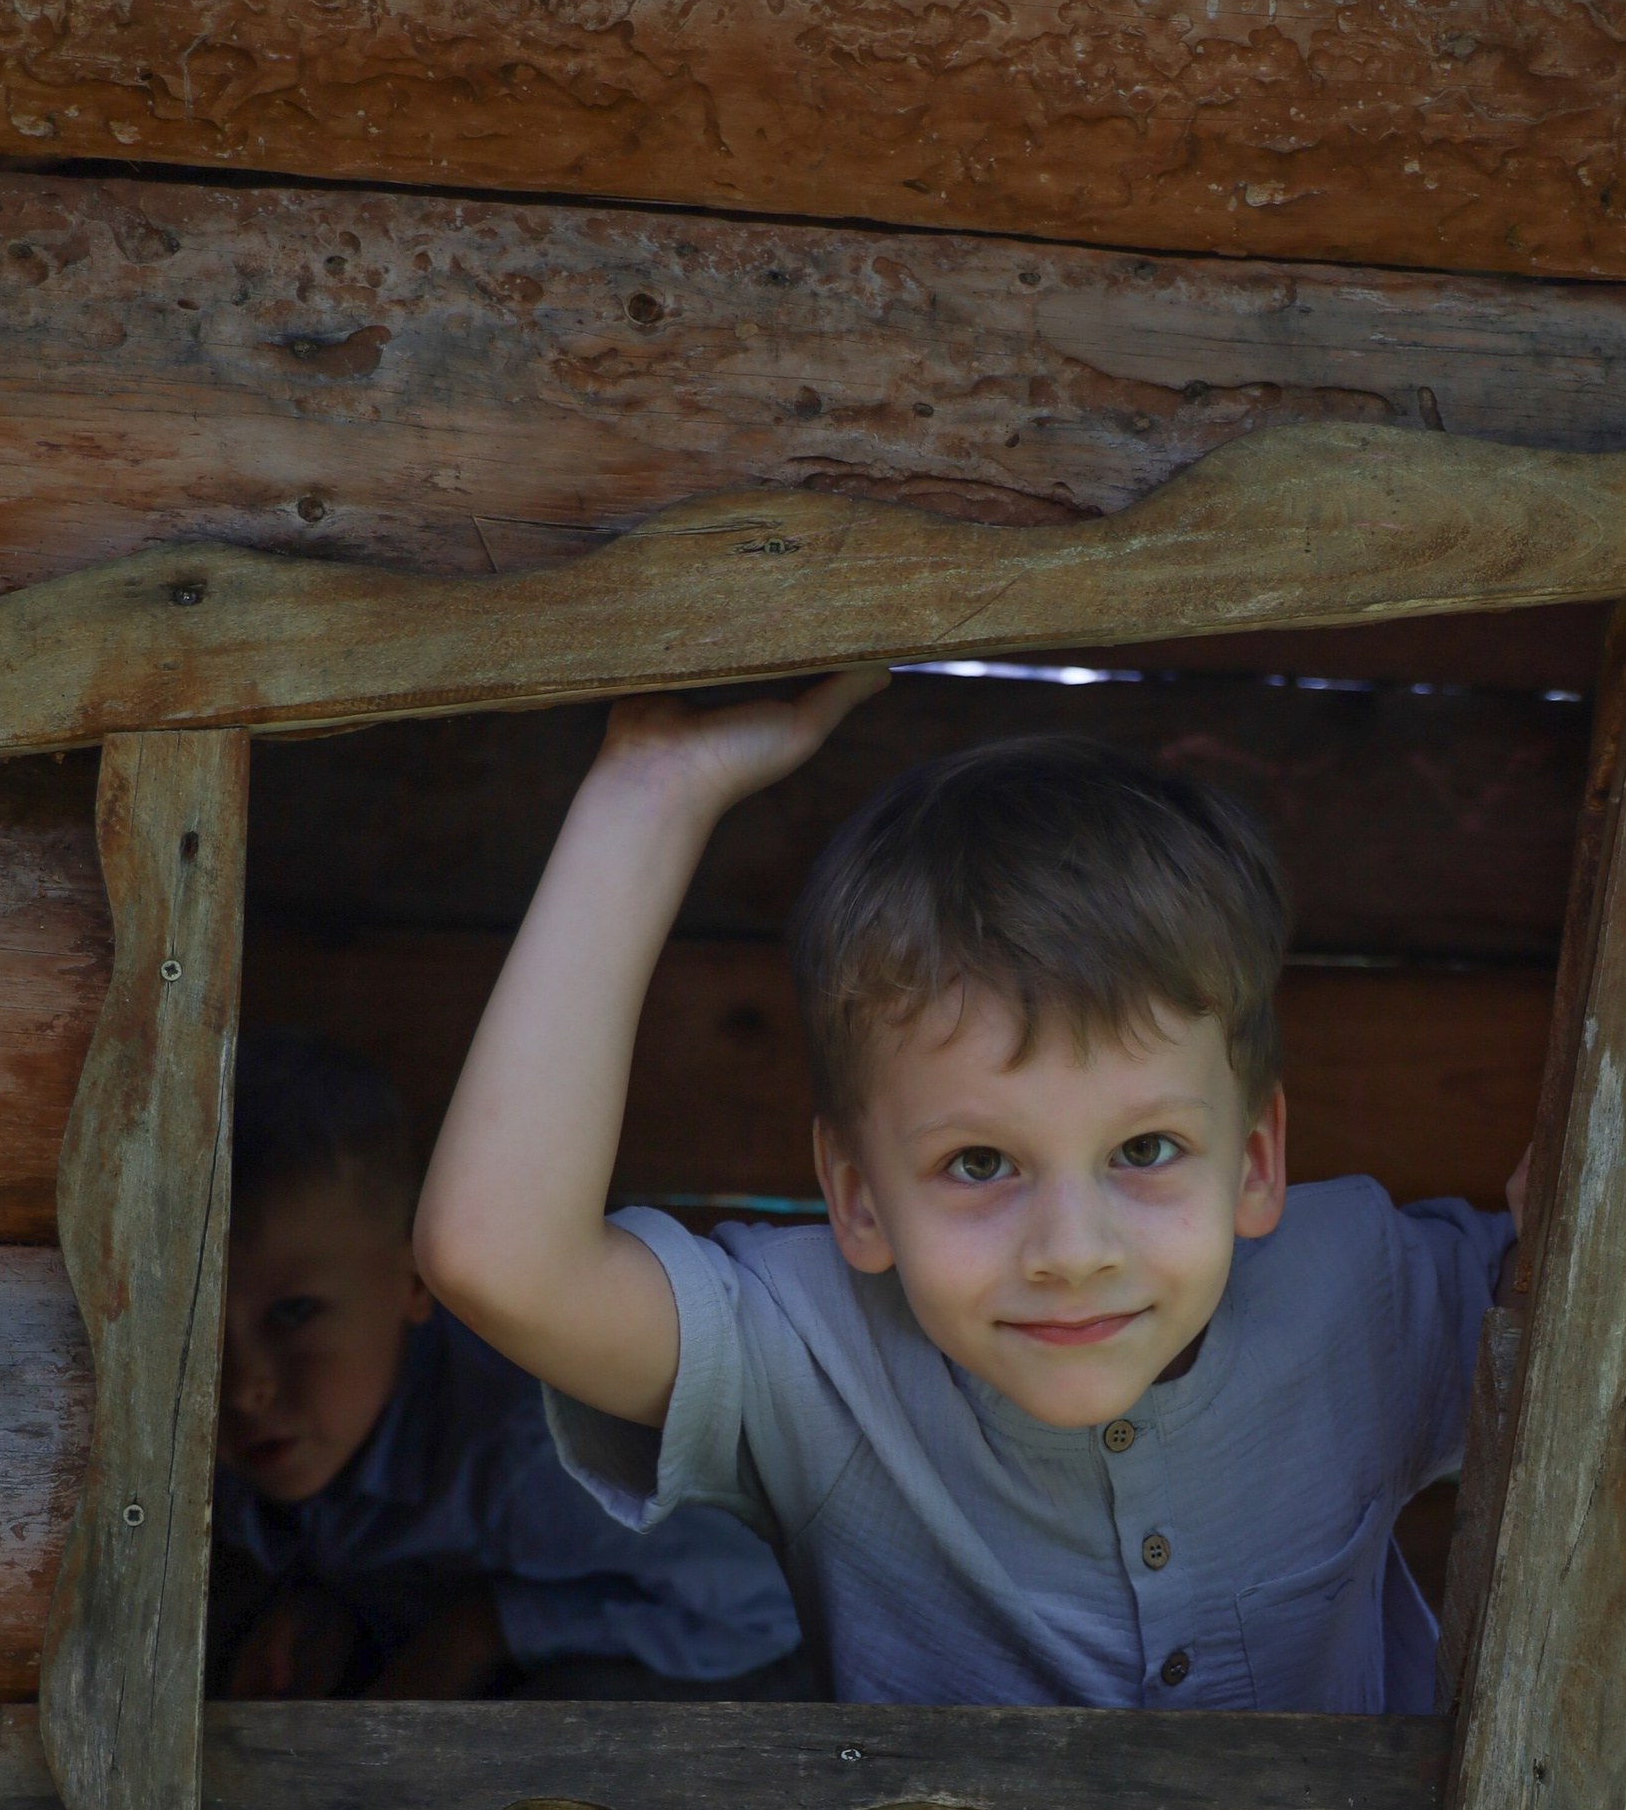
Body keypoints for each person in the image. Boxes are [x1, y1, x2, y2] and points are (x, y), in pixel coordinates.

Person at [416, 682, 1522, 1712]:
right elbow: (494, 1252)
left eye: (1144, 1147)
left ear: (1255, 1161)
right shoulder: (816, 1365)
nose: (1071, 1251)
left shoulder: (1366, 1290)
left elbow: (1588, 1282)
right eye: (980, 1165)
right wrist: (652, 790)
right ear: (854, 1197)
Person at [212, 1027, 807, 1702]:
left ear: (416, 1282)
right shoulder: (235, 1432)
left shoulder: (532, 1457)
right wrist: (316, 1602)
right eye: (199, 1329)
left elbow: (766, 1607)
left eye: (293, 1314)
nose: (240, 1386)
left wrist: (484, 1630)